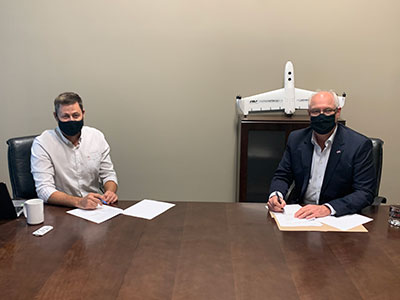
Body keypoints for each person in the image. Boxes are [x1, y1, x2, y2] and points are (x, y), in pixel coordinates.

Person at [267, 91, 376, 218]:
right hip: (300, 213)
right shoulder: (296, 139)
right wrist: (276, 195)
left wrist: (328, 208)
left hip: (337, 216)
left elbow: (365, 192)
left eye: (328, 110)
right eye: (316, 111)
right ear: (309, 114)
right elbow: (283, 175)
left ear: (338, 112)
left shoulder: (358, 145)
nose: (321, 116)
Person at [31, 92, 118, 210]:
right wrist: (79, 202)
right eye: (65, 116)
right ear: (56, 116)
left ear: (83, 114)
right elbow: (44, 190)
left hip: (95, 207)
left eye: (76, 115)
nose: (71, 120)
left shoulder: (96, 136)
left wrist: (110, 192)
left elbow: (108, 175)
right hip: (61, 209)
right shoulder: (43, 143)